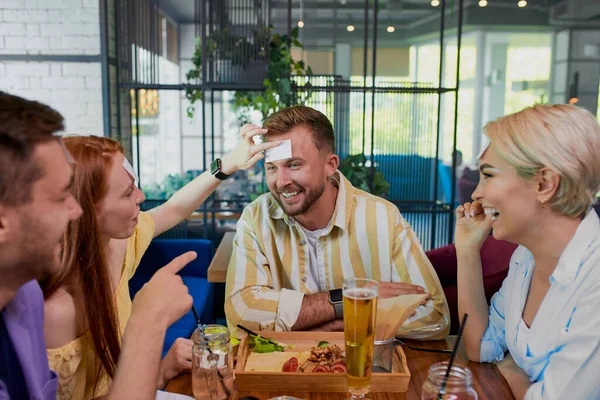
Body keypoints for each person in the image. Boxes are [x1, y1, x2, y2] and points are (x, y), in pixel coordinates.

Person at [41, 127, 278, 399]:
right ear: (85, 210)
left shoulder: (115, 246)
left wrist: (228, 163)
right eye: (128, 192)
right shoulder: (54, 311)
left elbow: (174, 208)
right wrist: (151, 330)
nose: (141, 197)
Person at [0, 91, 195, 399]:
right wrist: (147, 327)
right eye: (59, 196)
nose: (76, 212)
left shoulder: (26, 299)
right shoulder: (49, 310)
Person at [225, 106, 450, 336]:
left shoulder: (383, 218)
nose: (281, 181)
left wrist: (331, 326)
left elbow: (433, 316)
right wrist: (349, 301)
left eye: (294, 165)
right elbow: (241, 312)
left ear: (330, 165)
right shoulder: (256, 218)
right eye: (272, 167)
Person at [456, 104, 600, 399]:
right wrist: (467, 252)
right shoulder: (527, 256)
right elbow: (481, 345)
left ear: (545, 184)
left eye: (489, 176)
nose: (475, 195)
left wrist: (510, 370)